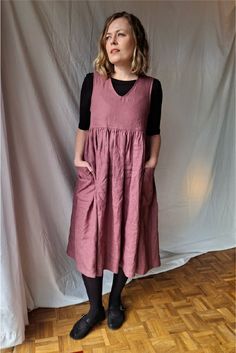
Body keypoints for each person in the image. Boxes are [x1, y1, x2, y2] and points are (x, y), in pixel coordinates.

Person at [67, 11, 163, 340]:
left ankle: (116, 300)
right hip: (97, 175)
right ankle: (94, 307)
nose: (112, 41)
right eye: (108, 36)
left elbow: (153, 132)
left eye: (120, 34)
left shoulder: (152, 88)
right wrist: (79, 158)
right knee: (88, 237)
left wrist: (150, 165)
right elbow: (84, 126)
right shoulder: (92, 82)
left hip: (133, 178)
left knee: (129, 236)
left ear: (136, 41)